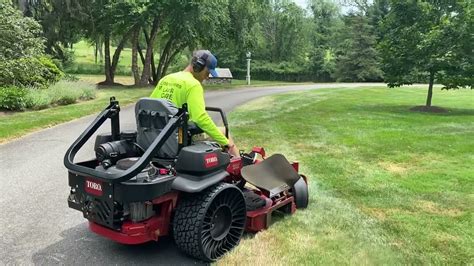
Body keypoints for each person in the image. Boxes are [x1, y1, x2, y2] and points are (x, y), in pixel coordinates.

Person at [150, 50, 240, 157]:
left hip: (157, 135)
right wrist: (226, 143)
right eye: (207, 73)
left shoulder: (166, 79)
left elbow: (151, 105)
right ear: (198, 66)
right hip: (178, 136)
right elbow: (200, 118)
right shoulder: (193, 85)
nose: (207, 77)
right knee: (224, 131)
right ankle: (237, 164)